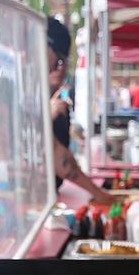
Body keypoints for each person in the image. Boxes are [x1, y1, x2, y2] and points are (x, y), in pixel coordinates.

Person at [47, 18, 111, 204]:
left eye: (64, 62)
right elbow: (59, 158)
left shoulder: (57, 103)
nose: (58, 68)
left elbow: (63, 157)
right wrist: (99, 194)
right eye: (57, 60)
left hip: (49, 197)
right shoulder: (28, 97)